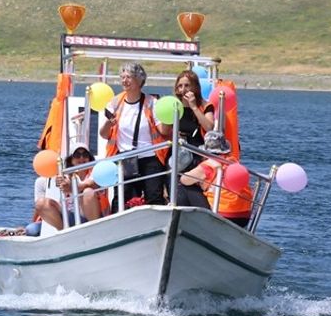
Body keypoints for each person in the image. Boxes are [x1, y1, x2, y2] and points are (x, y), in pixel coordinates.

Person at [98, 62, 168, 207]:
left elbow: (163, 131)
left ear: (140, 80)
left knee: (154, 197)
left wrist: (169, 117)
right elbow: (104, 134)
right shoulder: (115, 103)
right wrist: (108, 123)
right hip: (125, 159)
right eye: (122, 77)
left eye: (128, 77)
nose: (124, 81)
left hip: (150, 158)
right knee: (122, 199)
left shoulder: (152, 103)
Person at [178, 140, 252, 228]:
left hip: (223, 214)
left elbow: (184, 180)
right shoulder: (233, 162)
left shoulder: (209, 165)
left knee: (182, 186)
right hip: (244, 216)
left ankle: (183, 222)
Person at [34, 146, 103, 230]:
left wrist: (70, 188)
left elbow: (89, 184)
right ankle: (63, 232)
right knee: (41, 203)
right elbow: (64, 182)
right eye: (77, 155)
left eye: (85, 155)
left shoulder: (96, 172)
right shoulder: (66, 175)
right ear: (71, 160)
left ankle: (96, 229)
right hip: (70, 215)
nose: (81, 158)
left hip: (92, 216)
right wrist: (62, 183)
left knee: (88, 192)